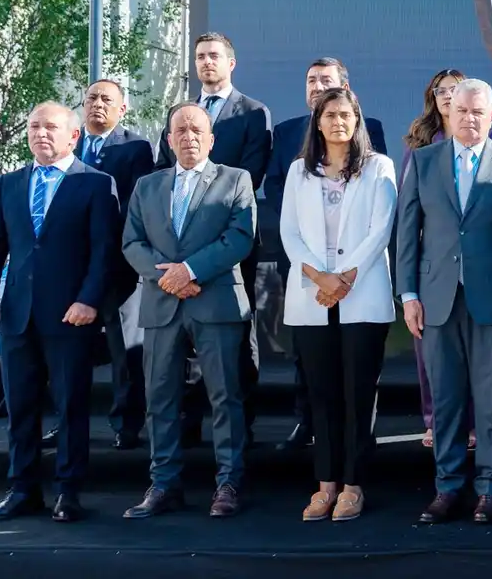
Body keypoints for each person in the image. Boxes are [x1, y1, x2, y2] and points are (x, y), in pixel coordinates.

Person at [397, 78, 492, 525]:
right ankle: (447, 488)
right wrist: (409, 294)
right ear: (448, 114)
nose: (469, 119)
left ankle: (490, 490)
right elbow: (406, 234)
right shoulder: (422, 162)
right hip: (436, 298)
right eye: (461, 111)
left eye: (478, 112)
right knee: (446, 401)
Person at [122, 103, 257, 519]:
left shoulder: (235, 180)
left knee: (224, 396)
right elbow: (132, 242)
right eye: (179, 130)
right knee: (159, 397)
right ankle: (163, 484)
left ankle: (228, 484)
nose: (188, 136)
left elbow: (239, 238)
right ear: (168, 139)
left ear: (211, 138)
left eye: (196, 129)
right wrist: (168, 278)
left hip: (214, 301)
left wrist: (190, 270)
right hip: (162, 305)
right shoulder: (147, 185)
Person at [0, 103, 120, 523]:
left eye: (51, 126)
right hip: (16, 315)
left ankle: (68, 491)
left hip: (71, 315)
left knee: (70, 406)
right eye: (34, 126)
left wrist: (88, 300)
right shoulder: (9, 184)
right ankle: (22, 488)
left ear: (74, 136)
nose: (40, 133)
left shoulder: (96, 184)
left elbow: (105, 252)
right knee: (20, 407)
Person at [279, 88, 397, 523]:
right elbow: (289, 233)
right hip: (312, 297)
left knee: (358, 395)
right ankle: (325, 484)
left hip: (361, 295)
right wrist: (319, 278)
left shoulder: (379, 167)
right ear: (318, 121)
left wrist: (343, 277)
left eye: (345, 114)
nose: (337, 122)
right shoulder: (298, 172)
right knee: (322, 395)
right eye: (329, 115)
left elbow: (380, 230)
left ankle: (353, 484)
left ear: (357, 120)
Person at [262, 57, 388, 452]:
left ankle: (356, 458)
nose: (317, 86)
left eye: (326, 81)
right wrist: (318, 272)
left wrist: (344, 275)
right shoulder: (288, 141)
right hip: (309, 275)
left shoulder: (375, 148)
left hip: (358, 281)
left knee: (358, 375)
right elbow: (284, 206)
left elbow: (378, 219)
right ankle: (312, 434)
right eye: (311, 81)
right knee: (313, 367)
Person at [155, 33, 271, 447]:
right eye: (200, 56)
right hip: (176, 251)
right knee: (180, 339)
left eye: (214, 56)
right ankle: (187, 423)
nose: (206, 62)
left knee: (236, 337)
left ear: (231, 63)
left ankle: (243, 423)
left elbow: (251, 175)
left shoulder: (254, 113)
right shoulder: (179, 112)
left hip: (229, 244)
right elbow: (161, 174)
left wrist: (205, 254)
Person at [401, 68, 486, 450]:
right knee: (432, 360)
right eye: (442, 91)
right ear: (434, 100)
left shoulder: (490, 142)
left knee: (475, 361)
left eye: (456, 90)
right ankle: (436, 421)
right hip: (434, 271)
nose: (450, 97)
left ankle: (472, 424)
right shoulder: (419, 149)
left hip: (478, 273)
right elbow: (409, 217)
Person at [79, 79, 157, 452]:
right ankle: (68, 423)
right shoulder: (70, 144)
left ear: (122, 109)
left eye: (107, 99)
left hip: (120, 267)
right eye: (91, 98)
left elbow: (135, 206)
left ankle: (126, 424)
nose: (98, 104)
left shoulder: (135, 147)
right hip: (72, 266)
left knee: (125, 350)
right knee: (70, 351)